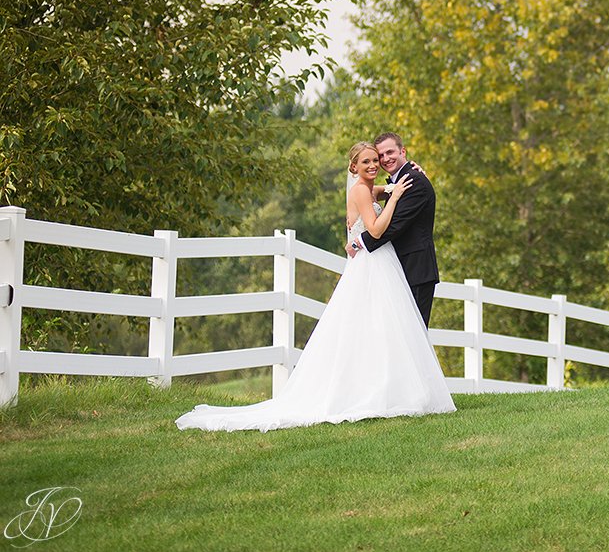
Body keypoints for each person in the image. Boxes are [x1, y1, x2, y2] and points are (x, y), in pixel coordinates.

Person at [176, 142, 456, 432]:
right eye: (368, 161)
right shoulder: (361, 190)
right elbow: (375, 229)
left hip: (383, 263)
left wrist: (403, 180)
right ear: (353, 167)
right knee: (382, 327)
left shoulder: (376, 187)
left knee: (385, 328)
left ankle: (395, 392)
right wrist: (393, 198)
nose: (376, 164)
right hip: (374, 263)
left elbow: (385, 190)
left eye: (379, 158)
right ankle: (386, 393)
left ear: (402, 152)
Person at [346, 133, 439, 327]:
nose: (385, 159)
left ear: (402, 151)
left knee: (414, 334)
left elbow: (395, 225)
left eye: (390, 152)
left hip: (416, 268)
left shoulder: (414, 180)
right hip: (392, 267)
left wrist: (359, 241)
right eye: (381, 155)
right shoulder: (395, 183)